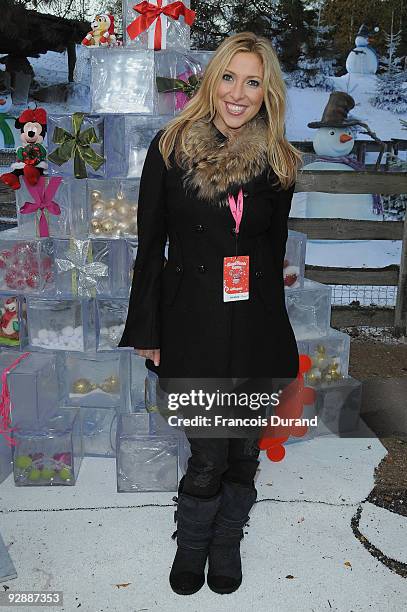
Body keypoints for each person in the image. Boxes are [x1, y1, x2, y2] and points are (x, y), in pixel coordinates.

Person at [119, 31, 301, 596]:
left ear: (267, 91)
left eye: (253, 82)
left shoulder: (277, 159)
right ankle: (193, 542)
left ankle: (227, 541)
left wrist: (278, 314)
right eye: (230, 77)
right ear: (211, 80)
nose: (238, 94)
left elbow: (271, 251)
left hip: (254, 326)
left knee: (243, 451)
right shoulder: (170, 147)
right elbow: (150, 245)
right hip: (192, 321)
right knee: (208, 454)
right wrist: (148, 330)